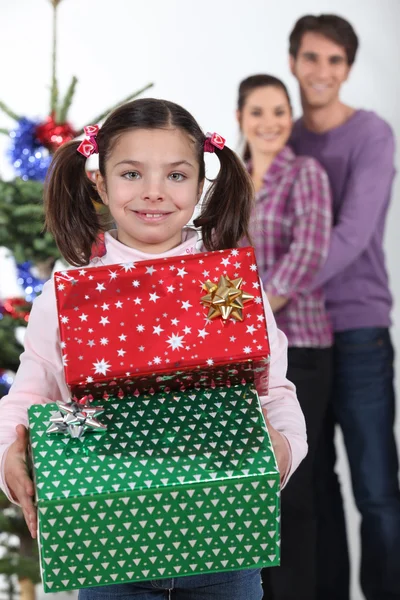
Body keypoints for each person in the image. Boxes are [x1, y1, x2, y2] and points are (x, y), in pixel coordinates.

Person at [0, 98, 307, 600]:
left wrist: (284, 450)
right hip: (109, 550)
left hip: (225, 546)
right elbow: (30, 393)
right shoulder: (70, 289)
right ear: (99, 181)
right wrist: (9, 457)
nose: (154, 193)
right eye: (131, 173)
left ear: (202, 184)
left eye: (177, 176)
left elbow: (276, 393)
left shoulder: (228, 283)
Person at [289, 14, 400, 600]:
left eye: (335, 61)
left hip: (357, 328)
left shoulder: (372, 135)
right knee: (317, 488)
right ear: (293, 62)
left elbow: (353, 233)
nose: (322, 72)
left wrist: (277, 286)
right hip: (301, 337)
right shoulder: (284, 137)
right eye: (312, 58)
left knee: (377, 490)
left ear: (349, 68)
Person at [237, 74, 332, 600]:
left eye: (279, 111)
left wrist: (253, 314)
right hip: (245, 358)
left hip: (304, 348)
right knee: (253, 486)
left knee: (293, 486)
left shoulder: (306, 173)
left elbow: (309, 254)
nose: (269, 123)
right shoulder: (231, 181)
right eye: (258, 112)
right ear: (240, 119)